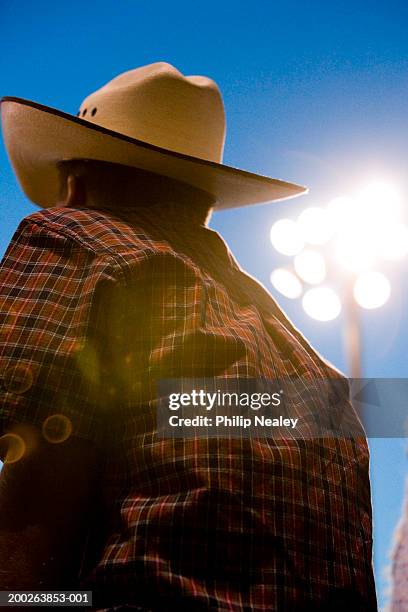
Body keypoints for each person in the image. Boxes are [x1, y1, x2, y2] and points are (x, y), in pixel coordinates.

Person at [0, 62, 377, 610]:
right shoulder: (321, 382)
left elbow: (33, 522)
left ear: (75, 185)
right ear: (204, 202)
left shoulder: (77, 240)